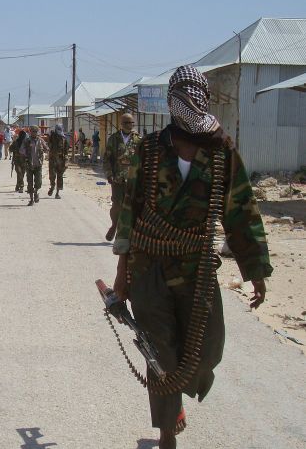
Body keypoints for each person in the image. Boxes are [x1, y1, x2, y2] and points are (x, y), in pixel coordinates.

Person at [111, 66, 272, 449]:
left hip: (196, 269)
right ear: (170, 102)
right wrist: (122, 272)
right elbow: (130, 213)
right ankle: (167, 432)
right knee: (159, 356)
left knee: (206, 352)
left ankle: (177, 400)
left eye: (193, 92)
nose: (188, 101)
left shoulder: (222, 150)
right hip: (149, 267)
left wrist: (255, 271)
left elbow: (241, 211)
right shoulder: (149, 150)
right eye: (180, 93)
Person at [104, 113, 142, 241]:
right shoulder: (113, 139)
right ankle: (114, 225)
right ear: (121, 124)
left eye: (131, 123)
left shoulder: (138, 139)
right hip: (118, 179)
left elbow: (143, 160)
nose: (129, 126)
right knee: (117, 205)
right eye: (127, 123)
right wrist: (109, 174)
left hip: (133, 180)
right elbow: (107, 159)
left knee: (132, 206)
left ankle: (128, 232)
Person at [23, 127, 46, 206]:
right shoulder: (26, 141)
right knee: (30, 183)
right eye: (33, 131)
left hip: (38, 165)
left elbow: (47, 148)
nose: (34, 133)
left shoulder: (40, 140)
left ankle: (36, 192)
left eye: (36, 132)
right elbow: (21, 150)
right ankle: (31, 199)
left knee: (38, 182)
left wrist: (44, 150)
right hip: (29, 165)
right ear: (30, 132)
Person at [47, 124, 69, 199]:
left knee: (60, 176)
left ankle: (57, 193)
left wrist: (66, 161)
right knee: (52, 176)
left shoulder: (64, 138)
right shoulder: (52, 136)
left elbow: (66, 151)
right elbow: (48, 145)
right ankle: (52, 186)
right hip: (53, 159)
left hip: (61, 159)